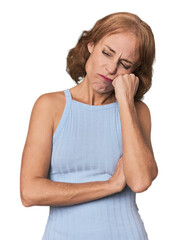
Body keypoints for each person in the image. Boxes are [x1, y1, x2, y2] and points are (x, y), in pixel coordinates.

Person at [20, 12, 158, 240]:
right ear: (91, 45)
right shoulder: (50, 106)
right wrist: (110, 185)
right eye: (107, 53)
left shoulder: (137, 112)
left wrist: (125, 101)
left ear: (134, 72)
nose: (111, 69)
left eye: (124, 64)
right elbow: (29, 192)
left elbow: (141, 180)